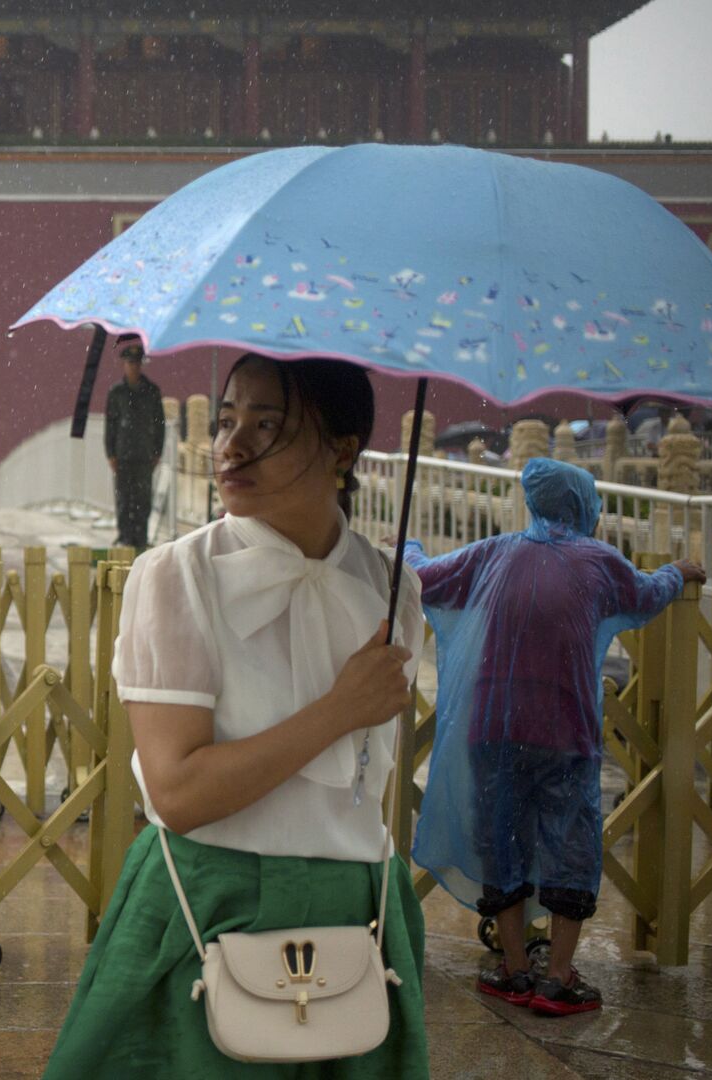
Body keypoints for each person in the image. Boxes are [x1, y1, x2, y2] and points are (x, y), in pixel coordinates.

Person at [44, 355, 428, 1077]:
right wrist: (338, 710)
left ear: (344, 451)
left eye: (268, 424)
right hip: (204, 905)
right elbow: (179, 794)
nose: (231, 444)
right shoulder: (177, 577)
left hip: (358, 910)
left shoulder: (393, 589)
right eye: (226, 421)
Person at [402, 456, 700, 1016]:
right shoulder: (599, 561)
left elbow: (424, 578)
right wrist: (676, 574)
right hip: (566, 732)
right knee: (572, 844)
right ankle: (558, 978)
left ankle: (515, 970)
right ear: (584, 505)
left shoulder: (493, 554)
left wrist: (412, 546)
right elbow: (644, 594)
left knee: (501, 840)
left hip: (493, 728)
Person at [104, 334, 165, 549]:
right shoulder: (116, 392)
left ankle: (140, 537)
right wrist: (110, 453)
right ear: (124, 364)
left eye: (137, 363)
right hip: (123, 454)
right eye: (130, 363)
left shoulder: (152, 391)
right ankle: (124, 536)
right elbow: (110, 424)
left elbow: (159, 424)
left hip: (144, 453)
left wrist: (158, 451)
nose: (133, 367)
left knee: (142, 499)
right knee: (124, 497)